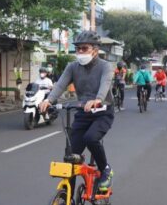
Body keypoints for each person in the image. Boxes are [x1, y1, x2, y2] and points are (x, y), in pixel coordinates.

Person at [40, 31, 115, 192]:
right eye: (77, 49)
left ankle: (106, 171)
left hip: (102, 112)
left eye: (84, 48)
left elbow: (105, 84)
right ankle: (66, 200)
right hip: (83, 112)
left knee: (90, 138)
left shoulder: (106, 66)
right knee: (70, 157)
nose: (80, 52)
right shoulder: (72, 67)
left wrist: (98, 99)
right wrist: (48, 100)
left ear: (95, 50)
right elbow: (60, 85)